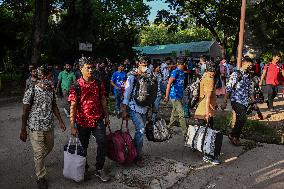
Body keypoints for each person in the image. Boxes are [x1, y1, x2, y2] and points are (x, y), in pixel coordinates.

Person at [20, 65, 66, 189]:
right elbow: (25, 112)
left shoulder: (51, 90)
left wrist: (61, 121)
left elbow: (54, 106)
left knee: (49, 147)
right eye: (51, 76)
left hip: (48, 125)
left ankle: (38, 161)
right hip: (35, 127)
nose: (52, 79)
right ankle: (41, 177)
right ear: (43, 76)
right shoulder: (32, 90)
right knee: (39, 152)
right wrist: (23, 129)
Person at [68, 57, 110, 182]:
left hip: (98, 120)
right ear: (81, 69)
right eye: (88, 68)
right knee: (83, 147)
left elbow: (103, 99)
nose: (91, 70)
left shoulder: (98, 82)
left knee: (103, 142)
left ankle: (99, 168)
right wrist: (72, 125)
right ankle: (83, 168)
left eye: (92, 67)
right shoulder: (75, 86)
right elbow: (73, 106)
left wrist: (107, 116)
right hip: (82, 122)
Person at [122, 56, 151, 167]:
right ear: (138, 64)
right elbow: (127, 93)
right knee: (141, 129)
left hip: (144, 108)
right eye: (143, 65)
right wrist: (124, 110)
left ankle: (132, 151)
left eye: (146, 65)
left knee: (140, 132)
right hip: (133, 107)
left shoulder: (148, 76)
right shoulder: (132, 77)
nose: (145, 67)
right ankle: (137, 156)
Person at [222, 57, 255, 146]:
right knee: (242, 118)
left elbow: (249, 91)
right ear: (244, 64)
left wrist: (253, 102)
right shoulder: (236, 74)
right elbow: (228, 88)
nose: (251, 67)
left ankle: (233, 135)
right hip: (236, 100)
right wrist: (224, 101)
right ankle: (234, 137)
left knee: (241, 119)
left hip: (244, 101)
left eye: (251, 66)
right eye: (249, 65)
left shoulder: (248, 76)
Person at [194, 61, 220, 165]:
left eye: (213, 70)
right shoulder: (210, 79)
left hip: (201, 108)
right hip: (205, 111)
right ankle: (207, 156)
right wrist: (207, 113)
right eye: (212, 70)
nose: (213, 72)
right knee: (209, 134)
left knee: (204, 132)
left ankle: (200, 149)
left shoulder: (204, 75)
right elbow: (208, 97)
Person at [164, 57, 187, 136]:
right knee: (181, 114)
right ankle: (185, 132)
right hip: (174, 96)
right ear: (183, 64)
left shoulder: (182, 72)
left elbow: (181, 85)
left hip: (179, 96)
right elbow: (169, 84)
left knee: (174, 114)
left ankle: (168, 127)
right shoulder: (175, 72)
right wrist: (166, 96)